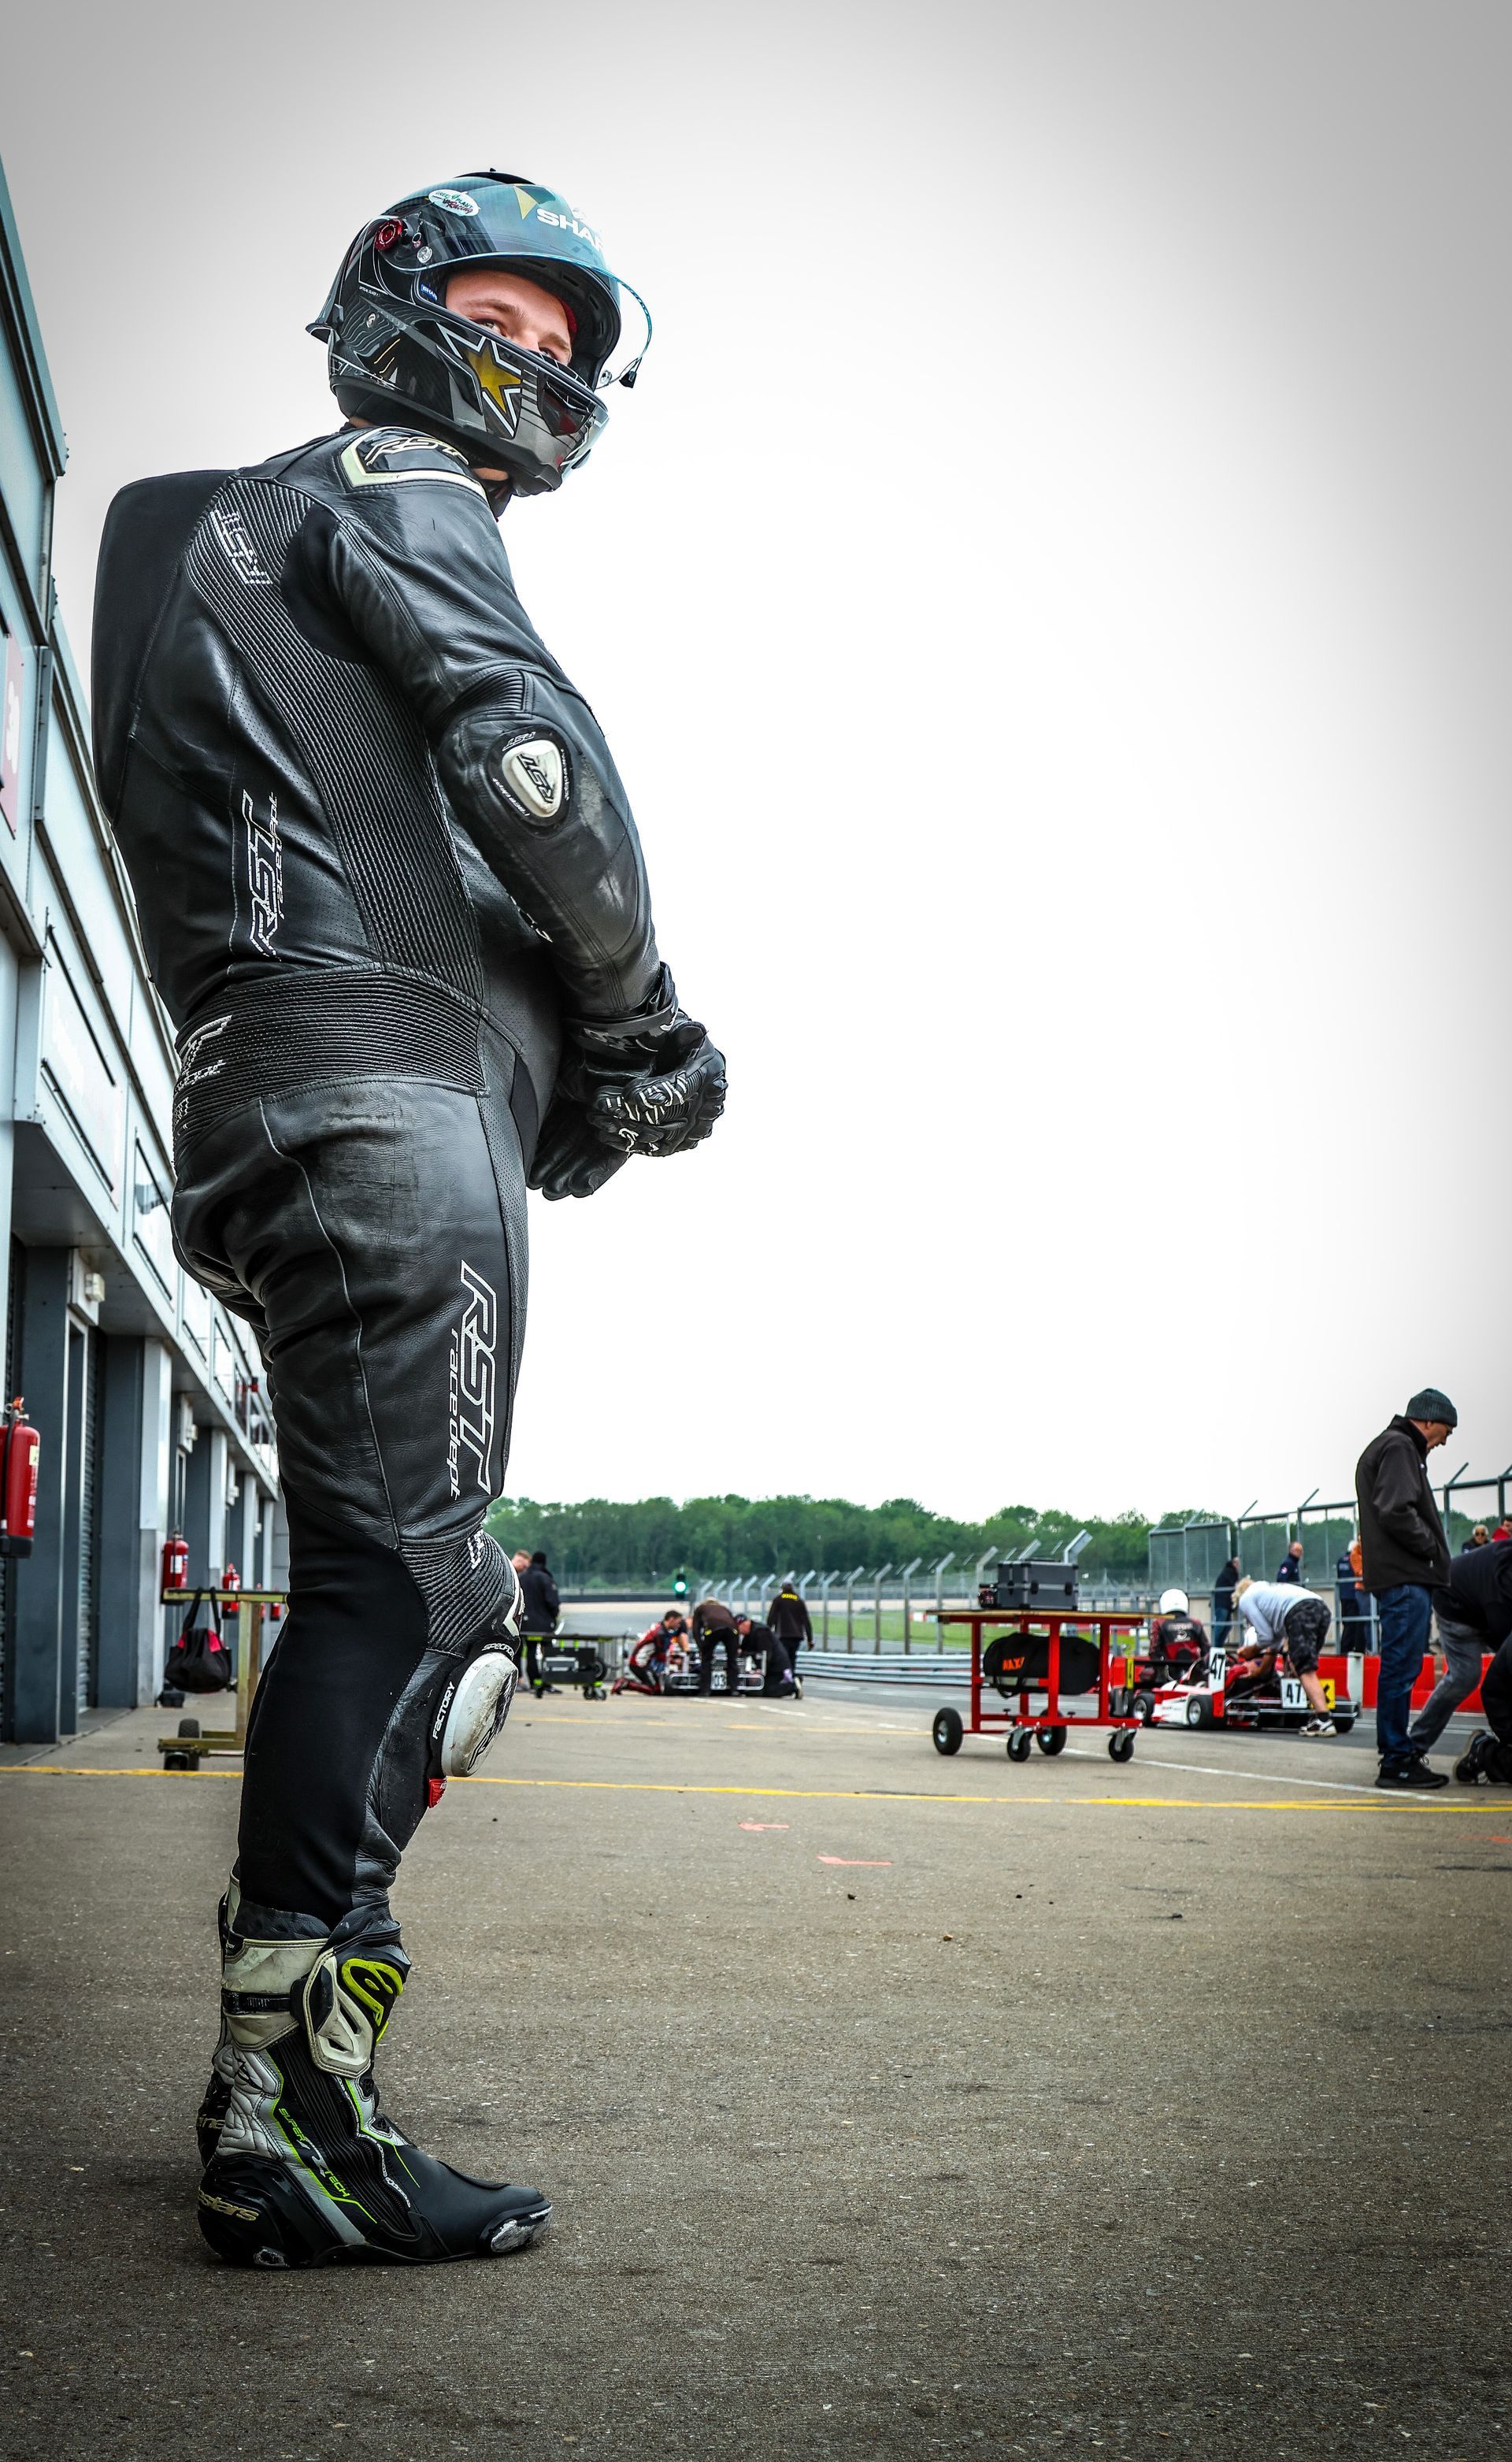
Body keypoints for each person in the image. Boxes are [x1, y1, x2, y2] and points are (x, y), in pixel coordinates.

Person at [91, 172, 726, 2271]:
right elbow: (528, 758)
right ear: (396, 302)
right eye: (508, 320)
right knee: (424, 1604)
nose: (533, 371)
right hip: (378, 1120)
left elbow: (357, 835)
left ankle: (286, 2077)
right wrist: (641, 1022)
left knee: (380, 1592)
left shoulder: (226, 541)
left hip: (293, 1102)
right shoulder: (384, 474)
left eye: (570, 349)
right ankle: (287, 2106)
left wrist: (539, 1062)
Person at [1356, 1389, 1457, 1789]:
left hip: (1401, 1577)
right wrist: (1431, 1548)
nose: (1446, 1440)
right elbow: (1395, 1508)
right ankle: (1397, 1759)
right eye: (1446, 1431)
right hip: (1405, 1578)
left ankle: (1397, 1755)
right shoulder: (1400, 1446)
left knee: (1401, 1667)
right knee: (1401, 1668)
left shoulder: (1394, 1446)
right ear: (1429, 1421)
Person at [1411, 1537, 1512, 1763]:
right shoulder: (1504, 1595)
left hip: (1478, 1597)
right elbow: (1504, 1660)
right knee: (1464, 1677)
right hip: (1454, 1604)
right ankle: (1414, 1746)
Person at [1231, 1578, 1338, 1734]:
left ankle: (1324, 1720)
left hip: (1301, 1611)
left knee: (1304, 1668)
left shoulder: (1246, 1599)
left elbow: (1265, 1637)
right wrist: (1261, 1672)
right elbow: (1274, 1643)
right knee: (1299, 1665)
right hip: (1320, 1607)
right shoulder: (1267, 1593)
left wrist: (1251, 1651)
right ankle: (1317, 1711)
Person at [521, 1548, 561, 1695]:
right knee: (548, 1652)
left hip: (526, 1624)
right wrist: (554, 1616)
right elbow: (552, 1601)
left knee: (531, 1651)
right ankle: (547, 1681)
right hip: (544, 1624)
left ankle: (534, 1682)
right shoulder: (545, 1578)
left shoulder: (522, 1578)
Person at [1147, 1589, 1208, 1682]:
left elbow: (1153, 1651)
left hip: (1169, 1676)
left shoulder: (1159, 1623)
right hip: (1194, 1675)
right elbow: (1206, 1650)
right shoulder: (1196, 1623)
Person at [735, 1611, 797, 1697]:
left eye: (739, 1628)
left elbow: (766, 1654)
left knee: (767, 1691)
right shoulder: (749, 1635)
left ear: (745, 1624)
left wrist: (759, 1671)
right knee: (751, 1691)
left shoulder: (761, 1632)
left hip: (776, 1668)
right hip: (769, 1668)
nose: (739, 1632)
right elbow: (744, 1652)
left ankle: (793, 1686)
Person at [690, 1596, 740, 1697]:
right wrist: (736, 1647)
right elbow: (734, 1624)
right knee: (732, 1660)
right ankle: (734, 1689)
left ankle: (705, 1690)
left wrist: (702, 1648)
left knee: (707, 1660)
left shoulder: (700, 1608)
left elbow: (696, 1630)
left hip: (713, 1629)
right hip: (732, 1631)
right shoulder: (724, 1608)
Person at [767, 1579, 813, 1674]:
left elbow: (771, 1618)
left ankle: (786, 1678)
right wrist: (810, 1639)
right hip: (796, 1636)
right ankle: (791, 1677)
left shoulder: (778, 1599)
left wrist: (767, 1634)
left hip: (783, 1635)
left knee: (783, 1658)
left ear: (782, 1588)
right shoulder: (798, 1600)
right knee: (792, 1658)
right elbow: (806, 1621)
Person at [1336, 1544, 1371, 1653]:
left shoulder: (1340, 1560)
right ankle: (1358, 1648)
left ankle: (1345, 1649)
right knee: (1359, 1623)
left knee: (1348, 1624)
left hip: (1344, 1595)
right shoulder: (1356, 1558)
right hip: (1356, 1594)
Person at [1211, 1555, 1240, 1648]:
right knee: (1220, 1626)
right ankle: (1213, 1647)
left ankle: (1218, 1646)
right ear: (1235, 1564)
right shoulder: (1230, 1572)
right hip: (1222, 1604)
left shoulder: (1228, 1571)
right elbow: (1236, 1586)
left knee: (1227, 1626)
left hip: (1224, 1604)